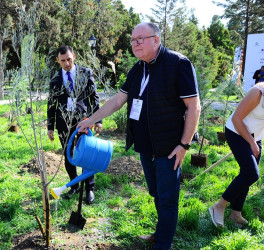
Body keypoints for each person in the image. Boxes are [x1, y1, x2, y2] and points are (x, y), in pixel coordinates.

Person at [77, 23, 200, 249]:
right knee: (156, 192)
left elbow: (194, 107)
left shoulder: (178, 64)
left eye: (140, 39)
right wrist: (89, 121)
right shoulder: (138, 69)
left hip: (170, 146)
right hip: (146, 145)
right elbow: (117, 101)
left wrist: (184, 145)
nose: (135, 44)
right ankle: (160, 232)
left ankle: (162, 245)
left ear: (156, 39)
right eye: (133, 40)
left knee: (168, 199)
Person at [47, 45, 102, 204]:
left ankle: (89, 189)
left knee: (87, 153)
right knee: (68, 154)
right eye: (63, 60)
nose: (66, 64)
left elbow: (94, 98)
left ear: (74, 57)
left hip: (84, 122)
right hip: (63, 123)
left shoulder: (86, 73)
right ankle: (74, 185)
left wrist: (98, 120)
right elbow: (51, 104)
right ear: (58, 60)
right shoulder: (55, 78)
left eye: (69, 59)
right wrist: (50, 126)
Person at [209, 82, 264, 229]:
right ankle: (219, 206)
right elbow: (236, 119)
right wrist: (252, 143)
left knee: (246, 175)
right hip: (237, 132)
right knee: (251, 174)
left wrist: (255, 141)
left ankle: (235, 214)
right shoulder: (257, 92)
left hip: (256, 137)